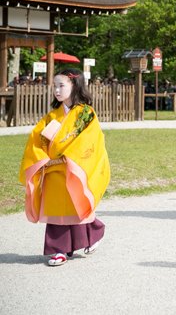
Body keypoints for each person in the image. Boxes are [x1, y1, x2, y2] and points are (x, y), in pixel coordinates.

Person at [19, 68, 110, 266]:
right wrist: (43, 159)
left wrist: (67, 159)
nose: (57, 90)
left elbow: (89, 142)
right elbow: (36, 140)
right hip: (52, 169)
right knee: (56, 209)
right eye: (55, 86)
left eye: (61, 85)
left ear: (75, 86)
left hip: (72, 167)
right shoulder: (52, 116)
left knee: (75, 205)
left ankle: (93, 233)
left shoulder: (86, 113)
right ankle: (59, 250)